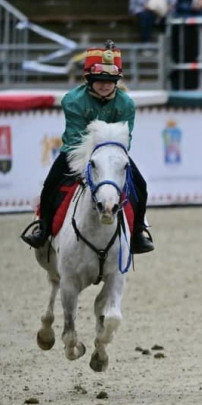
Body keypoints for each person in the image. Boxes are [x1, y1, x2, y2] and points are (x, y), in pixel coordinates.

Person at [22, 42, 155, 254]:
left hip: (112, 155)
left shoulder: (127, 104)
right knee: (51, 184)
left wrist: (108, 154)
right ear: (88, 80)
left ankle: (138, 232)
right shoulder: (73, 100)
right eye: (99, 80)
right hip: (74, 153)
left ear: (117, 81)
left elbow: (124, 140)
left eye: (110, 81)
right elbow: (76, 139)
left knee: (141, 185)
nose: (104, 85)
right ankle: (43, 228)